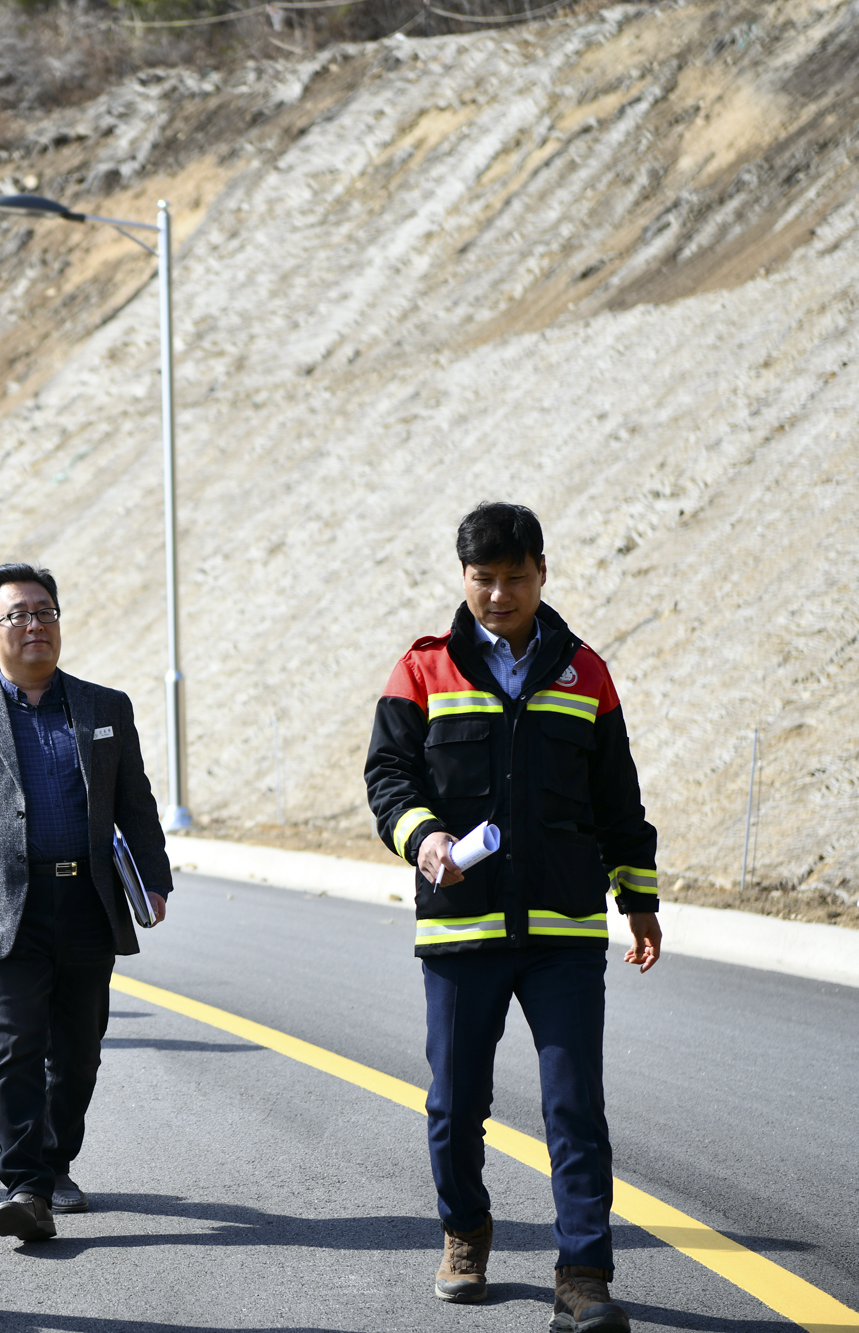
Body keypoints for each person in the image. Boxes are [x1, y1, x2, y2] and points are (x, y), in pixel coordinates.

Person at [363, 502, 662, 1333]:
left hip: (564, 930)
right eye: (483, 578)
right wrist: (424, 840)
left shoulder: (586, 672)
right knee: (455, 1105)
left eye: (516, 577)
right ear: (463, 578)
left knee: (575, 1105)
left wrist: (638, 899)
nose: (499, 593)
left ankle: (584, 1273)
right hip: (461, 931)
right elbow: (389, 780)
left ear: (542, 572)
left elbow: (619, 801)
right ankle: (465, 1229)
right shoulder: (423, 670)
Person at [0, 564, 173, 1243]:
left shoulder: (104, 707)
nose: (34, 624)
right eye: (17, 614)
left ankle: (54, 1160)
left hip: (87, 901)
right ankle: (24, 1181)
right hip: (5, 903)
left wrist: (156, 877)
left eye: (44, 610)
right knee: (14, 1045)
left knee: (77, 1054)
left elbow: (133, 798)